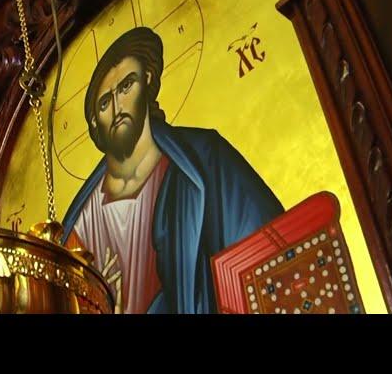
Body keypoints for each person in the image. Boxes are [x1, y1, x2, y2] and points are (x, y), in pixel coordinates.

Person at [62, 27, 284, 313]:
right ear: (95, 121)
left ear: (147, 80)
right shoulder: (80, 223)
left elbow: (271, 257)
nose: (117, 106)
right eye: (105, 102)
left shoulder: (204, 161)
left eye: (126, 86)